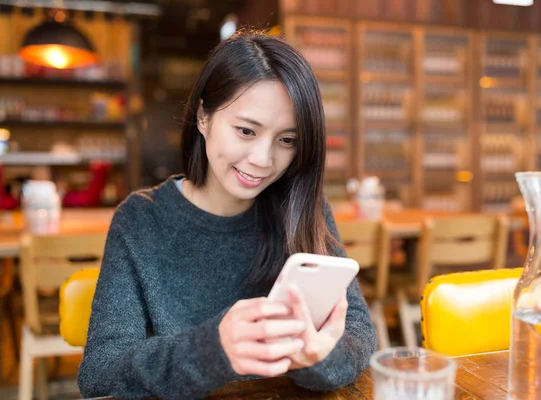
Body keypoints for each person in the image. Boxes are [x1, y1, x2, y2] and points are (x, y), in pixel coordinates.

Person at [78, 31, 377, 400]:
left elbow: (360, 336)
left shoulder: (299, 207)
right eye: (246, 130)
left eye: (287, 140)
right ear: (204, 117)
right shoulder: (141, 221)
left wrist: (317, 360)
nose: (263, 160)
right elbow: (100, 374)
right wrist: (212, 350)